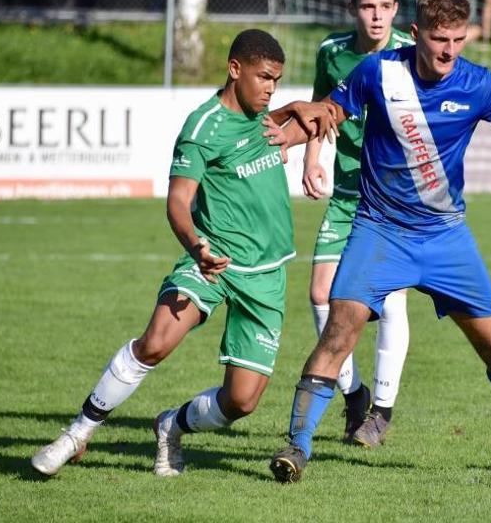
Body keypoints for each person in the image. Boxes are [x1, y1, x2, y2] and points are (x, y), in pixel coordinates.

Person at [266, 0, 491, 483]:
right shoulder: (377, 73)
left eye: (458, 40)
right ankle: (296, 449)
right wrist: (286, 137)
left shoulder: (479, 85)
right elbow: (327, 114)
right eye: (439, 40)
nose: (449, 51)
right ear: (416, 32)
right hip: (379, 231)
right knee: (340, 330)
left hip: (446, 238)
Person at [30, 29, 336, 477]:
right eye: (264, 77)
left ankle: (171, 424)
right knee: (155, 343)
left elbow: (319, 116)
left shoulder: (267, 118)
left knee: (242, 401)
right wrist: (197, 246)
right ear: (235, 70)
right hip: (214, 262)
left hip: (268, 275)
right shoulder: (202, 127)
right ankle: (77, 433)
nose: (271, 88)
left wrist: (300, 109)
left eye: (277, 80)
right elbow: (177, 201)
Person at [302, 0, 416, 447]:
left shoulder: (410, 58)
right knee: (320, 295)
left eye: (383, 7)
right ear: (354, 9)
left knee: (389, 300)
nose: (375, 15)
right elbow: (318, 105)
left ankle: (381, 411)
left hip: (392, 198)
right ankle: (353, 393)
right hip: (347, 192)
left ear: (395, 10)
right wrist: (311, 158)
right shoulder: (332, 51)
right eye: (366, 6)